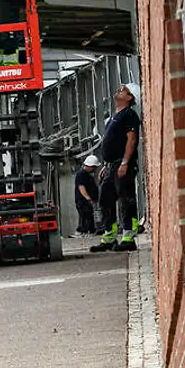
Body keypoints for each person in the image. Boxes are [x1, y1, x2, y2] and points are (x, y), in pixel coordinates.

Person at [92, 84, 142, 252]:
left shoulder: (129, 115)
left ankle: (128, 236)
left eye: (123, 89)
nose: (119, 89)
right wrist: (107, 165)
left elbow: (132, 140)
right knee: (105, 200)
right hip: (112, 165)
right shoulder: (115, 116)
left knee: (126, 199)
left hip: (122, 164)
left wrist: (125, 162)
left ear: (129, 98)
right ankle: (109, 236)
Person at [75, 155, 100, 235]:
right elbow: (81, 187)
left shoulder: (88, 174)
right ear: (89, 166)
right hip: (83, 201)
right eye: (94, 167)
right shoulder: (81, 174)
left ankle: (89, 230)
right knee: (86, 216)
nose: (95, 169)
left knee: (89, 216)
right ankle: (83, 231)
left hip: (88, 201)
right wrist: (88, 198)